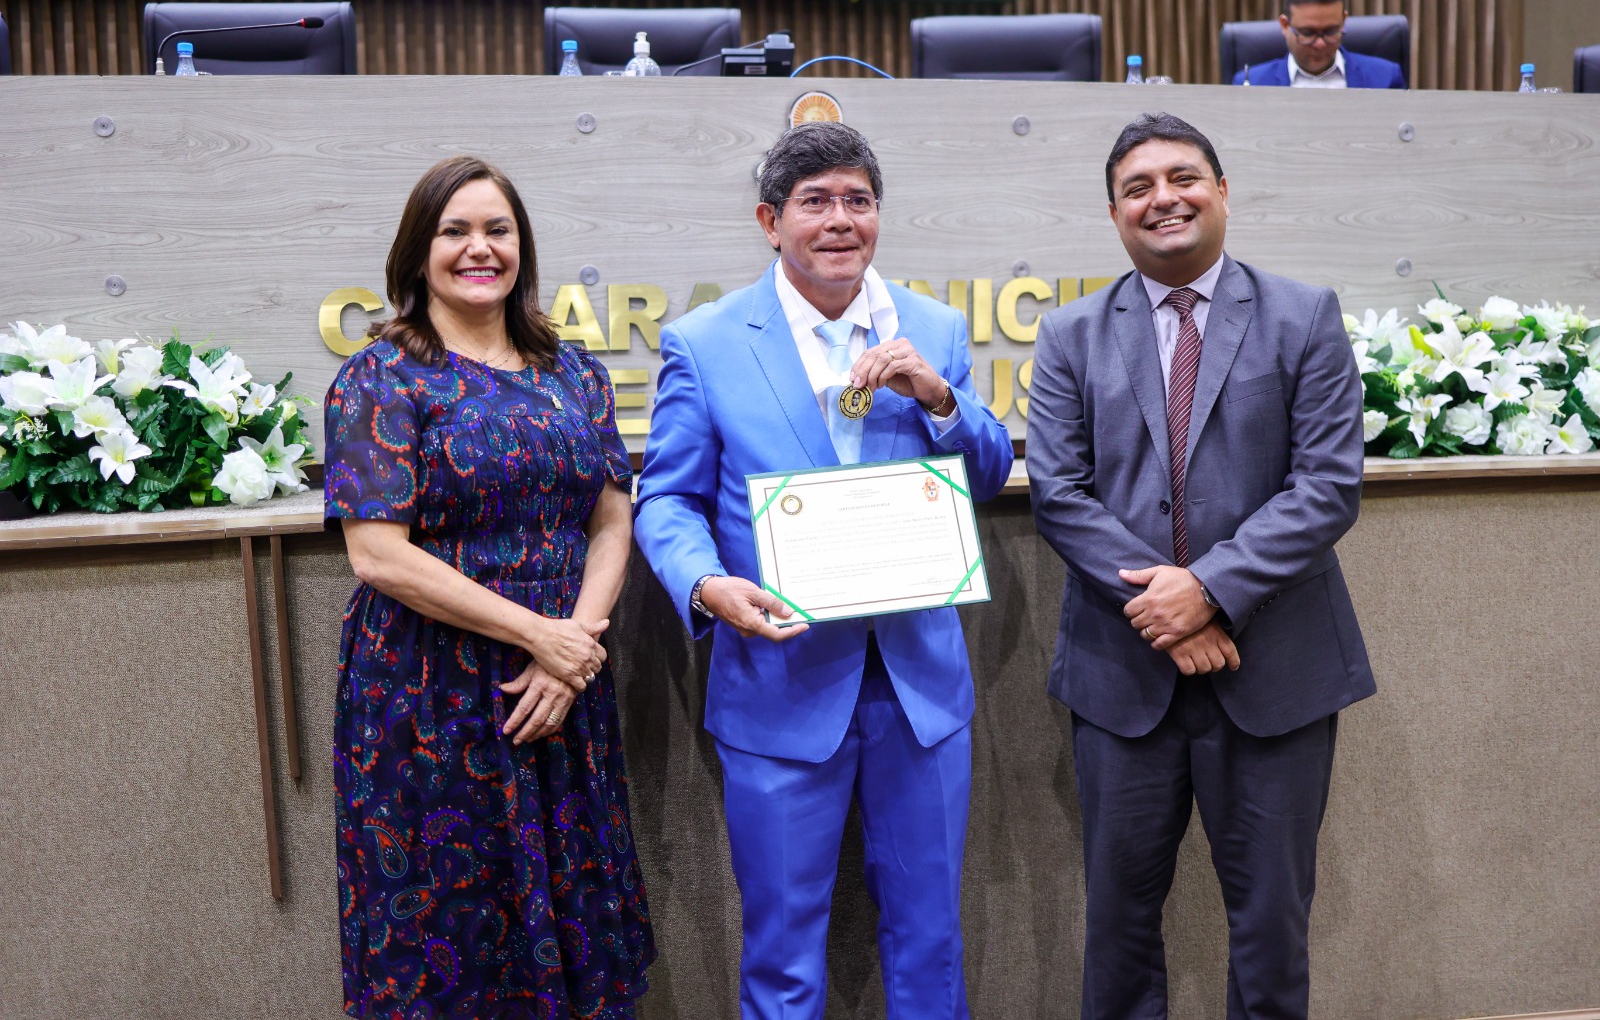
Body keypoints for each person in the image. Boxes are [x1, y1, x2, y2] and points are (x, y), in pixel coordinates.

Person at [633, 121, 1013, 1020]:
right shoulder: (707, 341)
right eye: (816, 203)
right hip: (779, 684)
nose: (841, 220)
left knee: (930, 945)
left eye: (859, 201)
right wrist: (704, 584)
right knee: (784, 955)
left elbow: (988, 475)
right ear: (771, 221)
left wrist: (941, 398)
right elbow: (667, 500)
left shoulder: (934, 328)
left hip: (918, 691)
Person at [1026, 113, 1373, 1020]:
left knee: (1270, 925)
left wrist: (1208, 591)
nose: (1162, 199)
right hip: (1122, 676)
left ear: (1222, 192)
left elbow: (1327, 487)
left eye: (1182, 178)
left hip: (1276, 673)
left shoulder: (1303, 315)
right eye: (1138, 188)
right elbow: (1059, 492)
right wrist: (1165, 610)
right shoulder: (1069, 335)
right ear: (1114, 214)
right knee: (1119, 926)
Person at [323, 156, 653, 1019]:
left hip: (560, 689)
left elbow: (612, 519)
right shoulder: (380, 378)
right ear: (417, 252)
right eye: (455, 231)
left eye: (497, 231)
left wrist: (573, 645)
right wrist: (537, 636)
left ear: (522, 246)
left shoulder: (570, 370)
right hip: (431, 697)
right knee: (449, 938)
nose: (480, 249)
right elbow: (378, 555)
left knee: (572, 918)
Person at [1231, 0, 1406, 88]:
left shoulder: (1386, 78)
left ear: (1343, 21)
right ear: (1285, 25)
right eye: (1308, 33)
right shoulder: (1251, 83)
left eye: (1330, 31)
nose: (1320, 44)